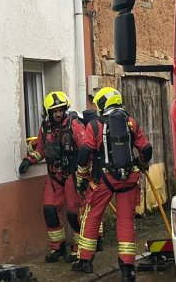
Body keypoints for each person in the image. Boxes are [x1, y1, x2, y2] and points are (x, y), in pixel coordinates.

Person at [71, 87, 153, 282]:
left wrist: (81, 176)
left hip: (104, 180)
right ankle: (127, 268)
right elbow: (146, 149)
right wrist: (142, 165)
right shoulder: (132, 122)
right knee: (126, 221)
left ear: (102, 104)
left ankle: (85, 261)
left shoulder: (96, 125)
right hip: (129, 180)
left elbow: (85, 154)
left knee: (92, 216)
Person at [18, 91, 85, 262]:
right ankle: (58, 248)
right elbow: (41, 149)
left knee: (73, 213)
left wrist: (84, 174)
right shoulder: (45, 127)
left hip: (72, 174)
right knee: (49, 210)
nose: (58, 113)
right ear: (48, 112)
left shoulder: (74, 124)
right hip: (54, 175)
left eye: (60, 110)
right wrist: (29, 159)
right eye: (54, 110)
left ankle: (79, 248)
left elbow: (85, 149)